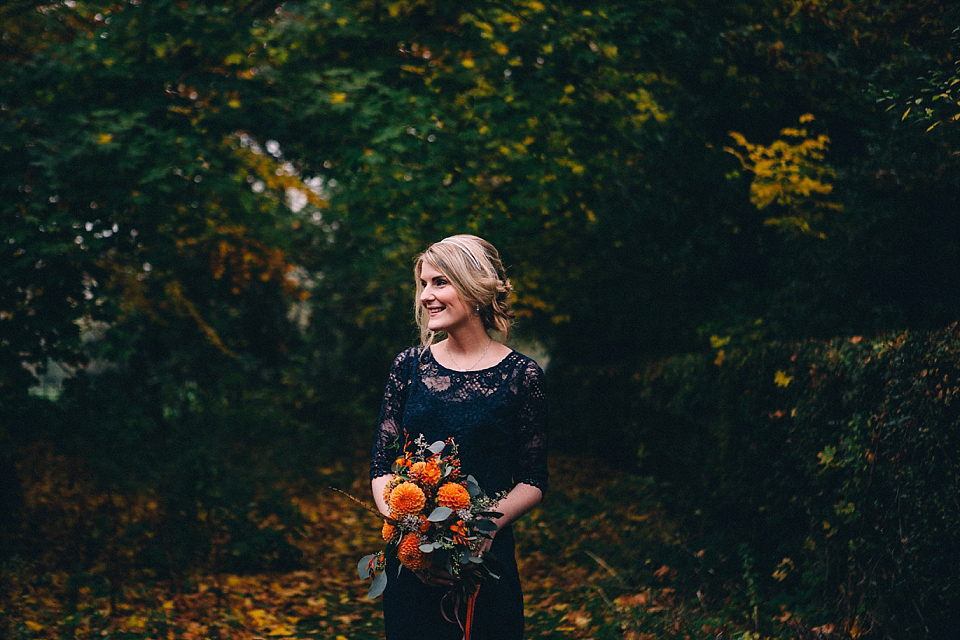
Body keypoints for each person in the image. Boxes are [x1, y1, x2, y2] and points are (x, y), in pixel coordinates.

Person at [370, 234, 548, 640]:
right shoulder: (408, 367)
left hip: (487, 564)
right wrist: (412, 531)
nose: (426, 296)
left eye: (440, 282)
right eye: (423, 284)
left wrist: (482, 530)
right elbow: (381, 466)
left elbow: (534, 479)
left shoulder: (522, 377)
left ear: (476, 288)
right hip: (412, 566)